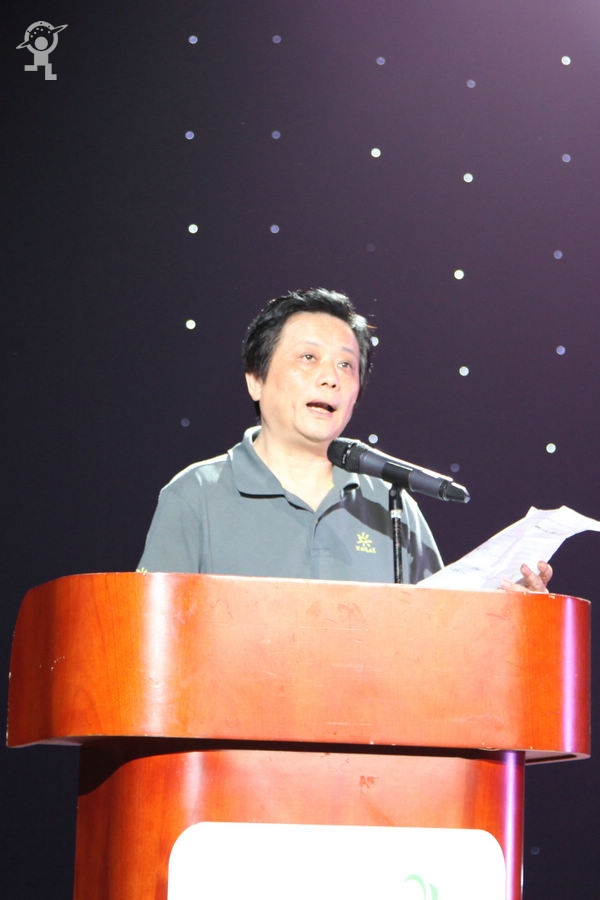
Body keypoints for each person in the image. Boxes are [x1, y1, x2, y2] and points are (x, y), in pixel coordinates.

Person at [137, 287, 552, 592]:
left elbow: (441, 638)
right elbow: (151, 635)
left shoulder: (390, 503)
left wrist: (507, 607)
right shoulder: (195, 496)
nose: (330, 378)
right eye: (308, 357)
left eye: (346, 365)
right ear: (255, 380)